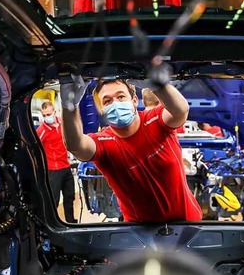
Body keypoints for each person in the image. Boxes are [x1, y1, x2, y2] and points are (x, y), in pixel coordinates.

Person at [60, 77, 202, 223]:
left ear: (134, 101)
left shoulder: (155, 121)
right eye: (107, 101)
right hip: (139, 234)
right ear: (102, 110)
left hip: (188, 224)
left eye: (121, 97)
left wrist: (156, 84)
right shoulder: (103, 143)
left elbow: (181, 110)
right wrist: (69, 105)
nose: (115, 104)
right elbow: (75, 145)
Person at [36, 100, 77, 223]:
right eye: (44, 115)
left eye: (49, 114)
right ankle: (53, 223)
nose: (47, 117)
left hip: (66, 166)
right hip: (53, 170)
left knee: (69, 197)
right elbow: (35, 149)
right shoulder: (42, 131)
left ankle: (70, 221)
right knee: (54, 199)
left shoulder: (61, 123)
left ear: (55, 112)